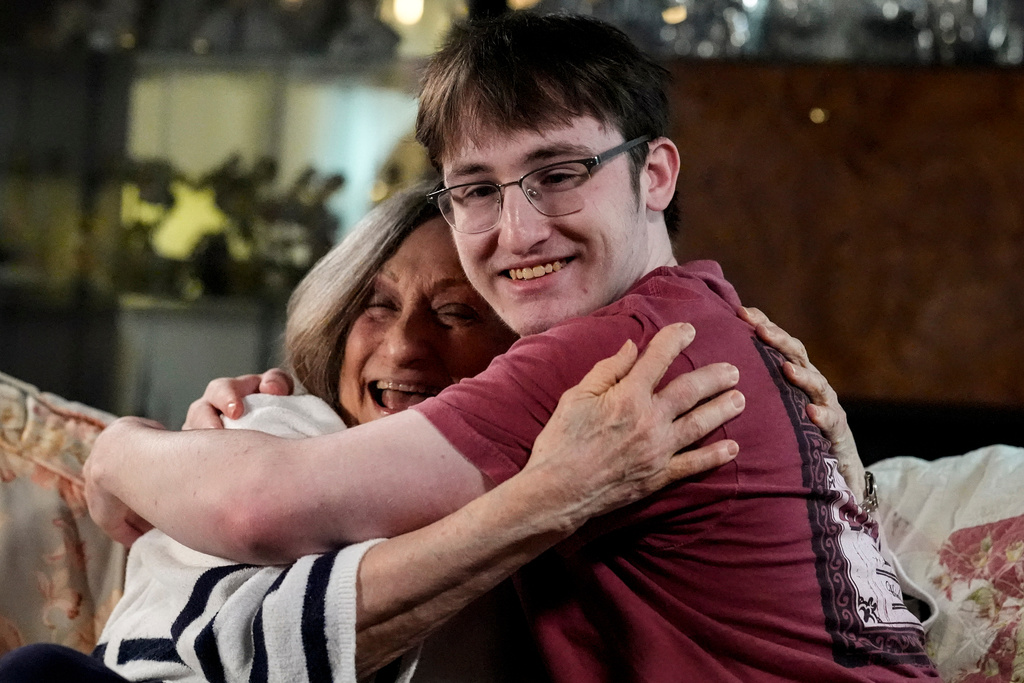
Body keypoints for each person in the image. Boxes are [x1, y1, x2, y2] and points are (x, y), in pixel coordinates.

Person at [84, 12, 938, 682]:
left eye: (559, 172)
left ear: (656, 174)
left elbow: (253, 508)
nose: (519, 231)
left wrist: (116, 450)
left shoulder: (617, 354)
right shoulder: (715, 321)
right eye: (478, 189)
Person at [0, 185, 744, 683]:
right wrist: (547, 499)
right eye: (377, 306)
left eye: (454, 315)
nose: (403, 349)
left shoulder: (579, 469)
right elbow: (244, 658)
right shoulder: (258, 428)